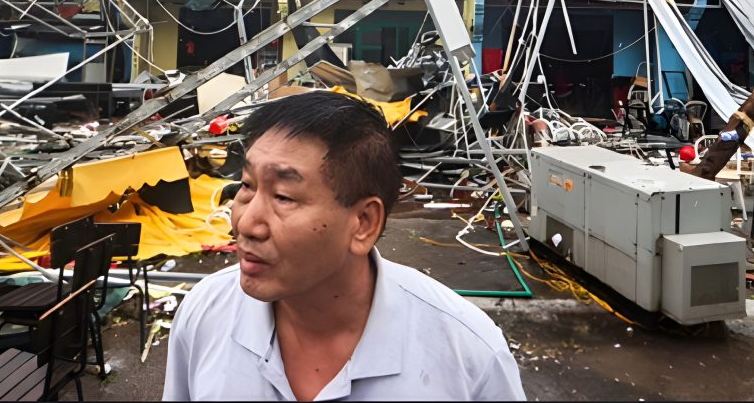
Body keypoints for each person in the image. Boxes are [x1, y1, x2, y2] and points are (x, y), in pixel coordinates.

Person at [163, 90, 525, 401]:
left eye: (284, 196)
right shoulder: (205, 314)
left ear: (363, 223)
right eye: (246, 185)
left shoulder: (468, 355)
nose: (246, 223)